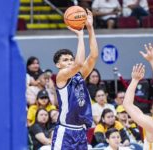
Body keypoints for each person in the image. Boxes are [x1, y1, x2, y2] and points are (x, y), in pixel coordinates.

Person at [51, 10, 98, 150]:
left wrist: (90, 28)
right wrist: (80, 36)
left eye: (71, 59)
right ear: (58, 65)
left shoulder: (79, 75)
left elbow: (94, 56)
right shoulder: (61, 77)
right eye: (65, 60)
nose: (70, 62)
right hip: (65, 131)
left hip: (81, 131)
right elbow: (78, 64)